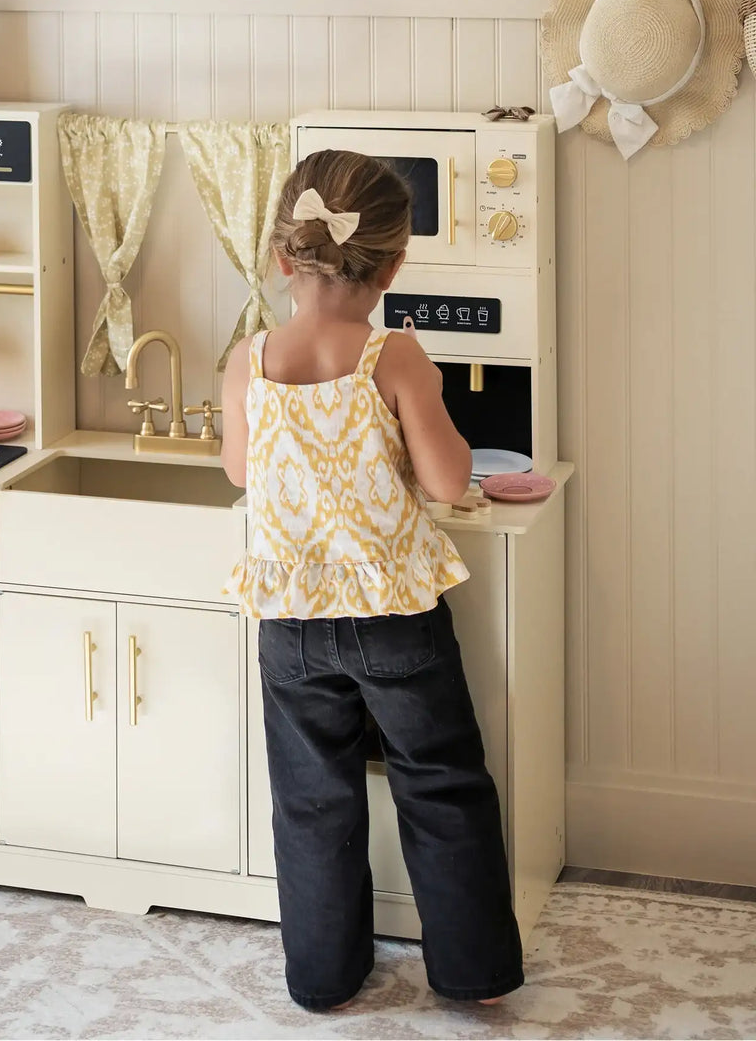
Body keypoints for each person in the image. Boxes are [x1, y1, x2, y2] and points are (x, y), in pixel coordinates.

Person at [221, 148, 523, 1011]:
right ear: (394, 263)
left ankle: (322, 978)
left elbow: (240, 472)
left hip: (290, 625)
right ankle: (470, 975)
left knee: (312, 804)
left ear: (283, 257)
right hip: (393, 620)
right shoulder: (392, 356)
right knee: (442, 784)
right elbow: (447, 482)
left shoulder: (250, 359)